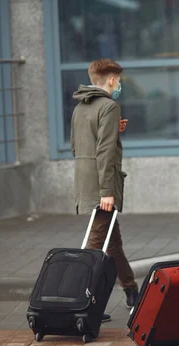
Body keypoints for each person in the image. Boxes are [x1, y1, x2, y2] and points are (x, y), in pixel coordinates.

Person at [70, 58, 138, 321]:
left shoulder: (81, 106)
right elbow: (105, 151)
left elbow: (78, 145)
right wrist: (107, 190)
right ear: (111, 80)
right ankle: (81, 302)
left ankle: (131, 289)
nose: (119, 85)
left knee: (113, 243)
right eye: (118, 80)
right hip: (102, 185)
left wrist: (112, 130)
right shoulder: (110, 106)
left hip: (85, 180)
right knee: (94, 245)